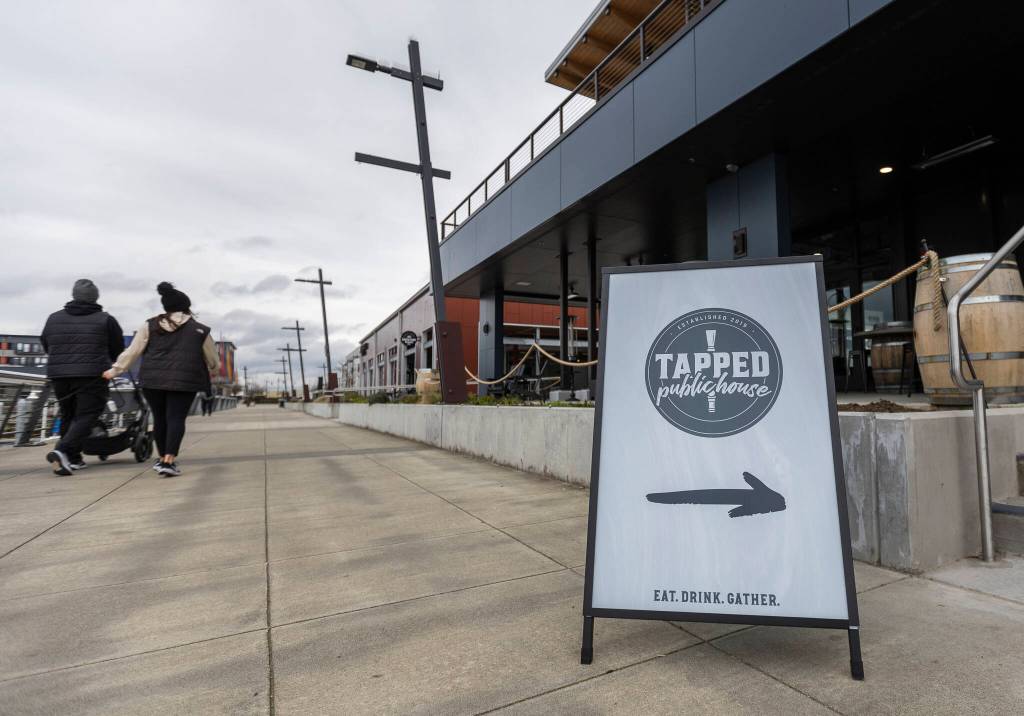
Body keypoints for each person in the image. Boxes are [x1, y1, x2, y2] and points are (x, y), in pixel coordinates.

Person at [104, 282, 218, 477]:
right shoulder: (200, 330)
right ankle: (169, 460)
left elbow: (133, 352)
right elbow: (213, 361)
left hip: (152, 380)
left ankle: (162, 458)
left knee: (160, 419)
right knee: (176, 418)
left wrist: (114, 371)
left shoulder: (149, 325)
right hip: (185, 381)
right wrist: (212, 369)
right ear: (186, 306)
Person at [41, 279, 125, 476]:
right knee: (88, 414)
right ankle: (61, 450)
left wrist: (62, 362)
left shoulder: (53, 318)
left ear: (73, 295)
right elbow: (118, 349)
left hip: (59, 374)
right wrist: (109, 363)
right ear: (95, 297)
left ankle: (73, 458)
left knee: (68, 414)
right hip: (92, 374)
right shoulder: (106, 319)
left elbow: (46, 343)